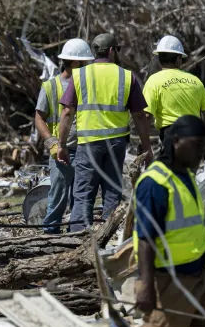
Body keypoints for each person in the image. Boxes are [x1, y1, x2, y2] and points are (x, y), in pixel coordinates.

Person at [133, 114, 205, 327]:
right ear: (176, 142)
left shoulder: (186, 177)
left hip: (200, 278)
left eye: (204, 147)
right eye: (196, 146)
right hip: (170, 283)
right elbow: (145, 239)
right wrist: (144, 284)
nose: (201, 153)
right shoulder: (155, 183)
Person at [57, 32, 154, 231]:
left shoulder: (80, 75)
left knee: (83, 192)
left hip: (88, 143)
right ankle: (109, 239)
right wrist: (147, 147)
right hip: (116, 144)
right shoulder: (127, 77)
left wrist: (61, 144)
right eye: (117, 50)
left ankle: (77, 238)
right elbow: (139, 116)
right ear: (111, 51)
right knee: (111, 192)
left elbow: (67, 112)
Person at [35, 38, 94, 234]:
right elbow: (39, 118)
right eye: (85, 62)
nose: (88, 65)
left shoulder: (88, 85)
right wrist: (52, 142)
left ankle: (76, 232)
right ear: (75, 62)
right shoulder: (51, 86)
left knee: (80, 195)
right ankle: (50, 231)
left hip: (85, 147)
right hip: (62, 150)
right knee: (58, 194)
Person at [142, 35, 205, 142]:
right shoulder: (195, 80)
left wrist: (144, 143)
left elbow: (147, 116)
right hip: (195, 135)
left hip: (171, 136)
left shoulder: (153, 81)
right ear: (178, 59)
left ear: (159, 59)